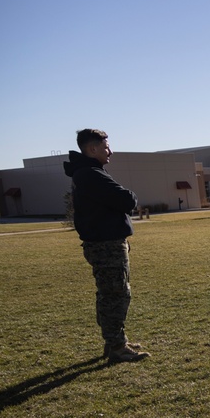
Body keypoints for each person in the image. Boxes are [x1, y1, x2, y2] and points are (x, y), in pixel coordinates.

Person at [63, 129, 150, 363]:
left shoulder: (88, 172)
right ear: (92, 149)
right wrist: (130, 195)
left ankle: (114, 342)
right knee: (116, 294)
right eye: (106, 147)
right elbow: (127, 200)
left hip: (104, 243)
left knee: (109, 293)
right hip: (106, 246)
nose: (110, 152)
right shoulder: (91, 174)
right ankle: (117, 346)